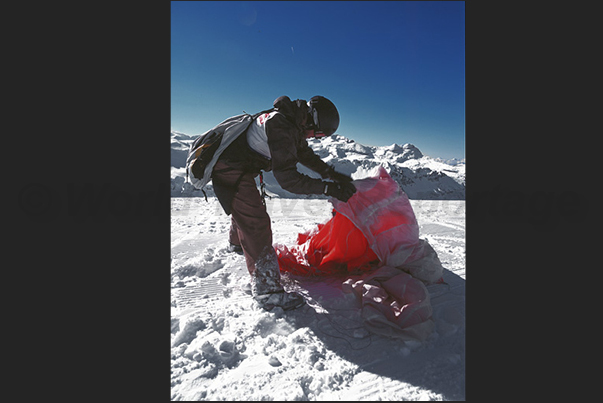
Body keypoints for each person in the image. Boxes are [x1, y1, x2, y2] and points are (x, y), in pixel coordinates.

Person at [211, 95, 356, 311]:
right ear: (311, 121)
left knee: (247, 207)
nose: (314, 138)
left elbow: (304, 154)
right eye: (317, 134)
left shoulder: (291, 122)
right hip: (230, 168)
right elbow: (289, 180)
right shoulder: (282, 126)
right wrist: (328, 188)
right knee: (256, 222)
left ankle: (236, 244)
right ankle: (267, 291)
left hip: (237, 165)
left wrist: (333, 175)